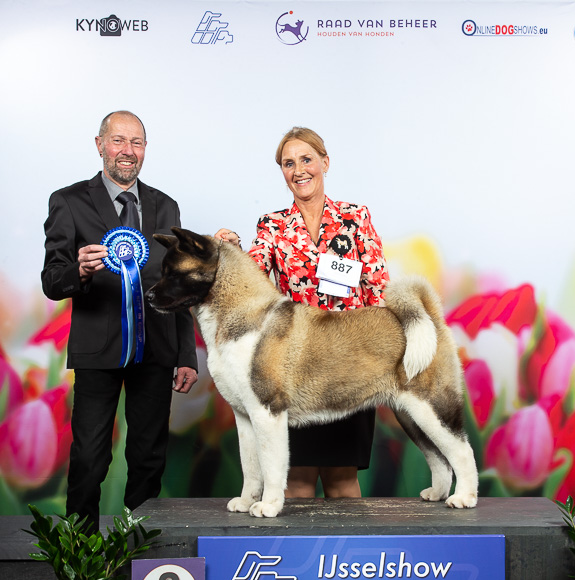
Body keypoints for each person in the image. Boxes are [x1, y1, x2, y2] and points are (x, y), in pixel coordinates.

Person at [41, 110, 198, 531]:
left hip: (157, 349)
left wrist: (186, 354)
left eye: (137, 142)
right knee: (90, 455)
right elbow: (52, 280)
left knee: (149, 456)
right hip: (98, 348)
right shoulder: (68, 201)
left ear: (145, 149)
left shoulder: (166, 205)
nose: (128, 151)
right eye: (118, 140)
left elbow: (178, 285)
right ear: (100, 145)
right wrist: (79, 271)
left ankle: (139, 550)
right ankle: (81, 550)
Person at [215, 126, 390, 499]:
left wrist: (380, 351)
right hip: (295, 365)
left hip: (349, 362)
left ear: (325, 162)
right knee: (296, 482)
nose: (298, 170)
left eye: (306, 159)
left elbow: (377, 286)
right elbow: (252, 275)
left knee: (343, 481)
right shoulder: (272, 225)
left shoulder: (356, 217)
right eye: (288, 163)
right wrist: (230, 249)